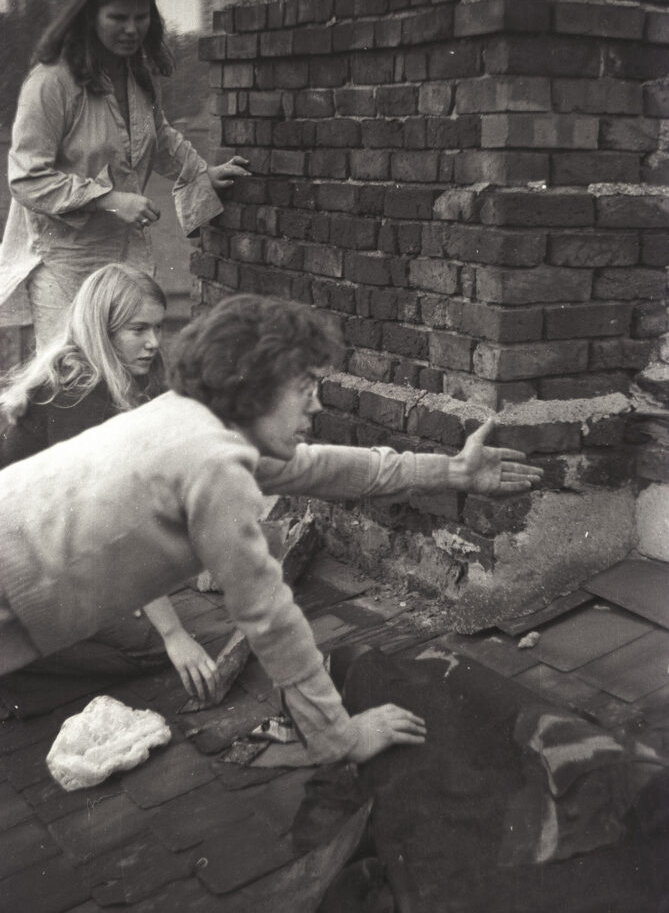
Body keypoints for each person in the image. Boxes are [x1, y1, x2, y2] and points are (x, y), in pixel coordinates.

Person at [0, 293, 542, 763]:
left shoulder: (196, 417)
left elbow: (329, 467)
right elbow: (269, 616)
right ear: (255, 385)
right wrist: (340, 736)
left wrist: (453, 471)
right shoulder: (211, 462)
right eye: (305, 387)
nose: (318, 403)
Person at [0, 0, 250, 350]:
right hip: (64, 267)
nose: (132, 29)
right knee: (73, 384)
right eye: (118, 17)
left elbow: (160, 137)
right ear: (89, 17)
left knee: (128, 380)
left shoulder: (137, 75)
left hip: (124, 258)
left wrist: (202, 173)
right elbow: (26, 180)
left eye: (141, 17)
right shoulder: (51, 83)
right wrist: (110, 200)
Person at [0, 263, 224, 715]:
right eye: (138, 329)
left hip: (39, 550)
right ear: (102, 329)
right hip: (17, 566)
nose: (154, 342)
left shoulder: (105, 372)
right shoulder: (80, 394)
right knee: (153, 648)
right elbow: (109, 528)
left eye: (158, 328)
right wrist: (174, 633)